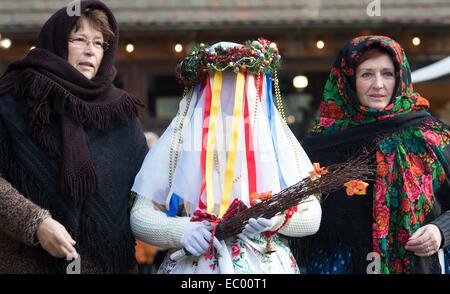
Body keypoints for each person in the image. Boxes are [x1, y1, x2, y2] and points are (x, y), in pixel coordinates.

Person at [130, 39, 322, 274]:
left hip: (265, 264)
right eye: (221, 87)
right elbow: (140, 215)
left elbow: (312, 215)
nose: (232, 99)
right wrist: (182, 230)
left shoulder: (272, 141)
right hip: (194, 266)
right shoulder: (181, 141)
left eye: (241, 87)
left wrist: (276, 219)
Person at [0, 0, 148, 273]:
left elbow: (146, 191)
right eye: (79, 39)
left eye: (99, 43)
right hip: (28, 261)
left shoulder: (121, 112)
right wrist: (36, 223)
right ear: (57, 41)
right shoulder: (15, 97)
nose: (91, 51)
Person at [292, 35, 450, 274]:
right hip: (338, 266)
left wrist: (441, 231)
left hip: (417, 266)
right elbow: (299, 213)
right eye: (367, 74)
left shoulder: (431, 137)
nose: (378, 84)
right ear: (349, 79)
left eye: (387, 73)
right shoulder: (320, 143)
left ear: (399, 77)